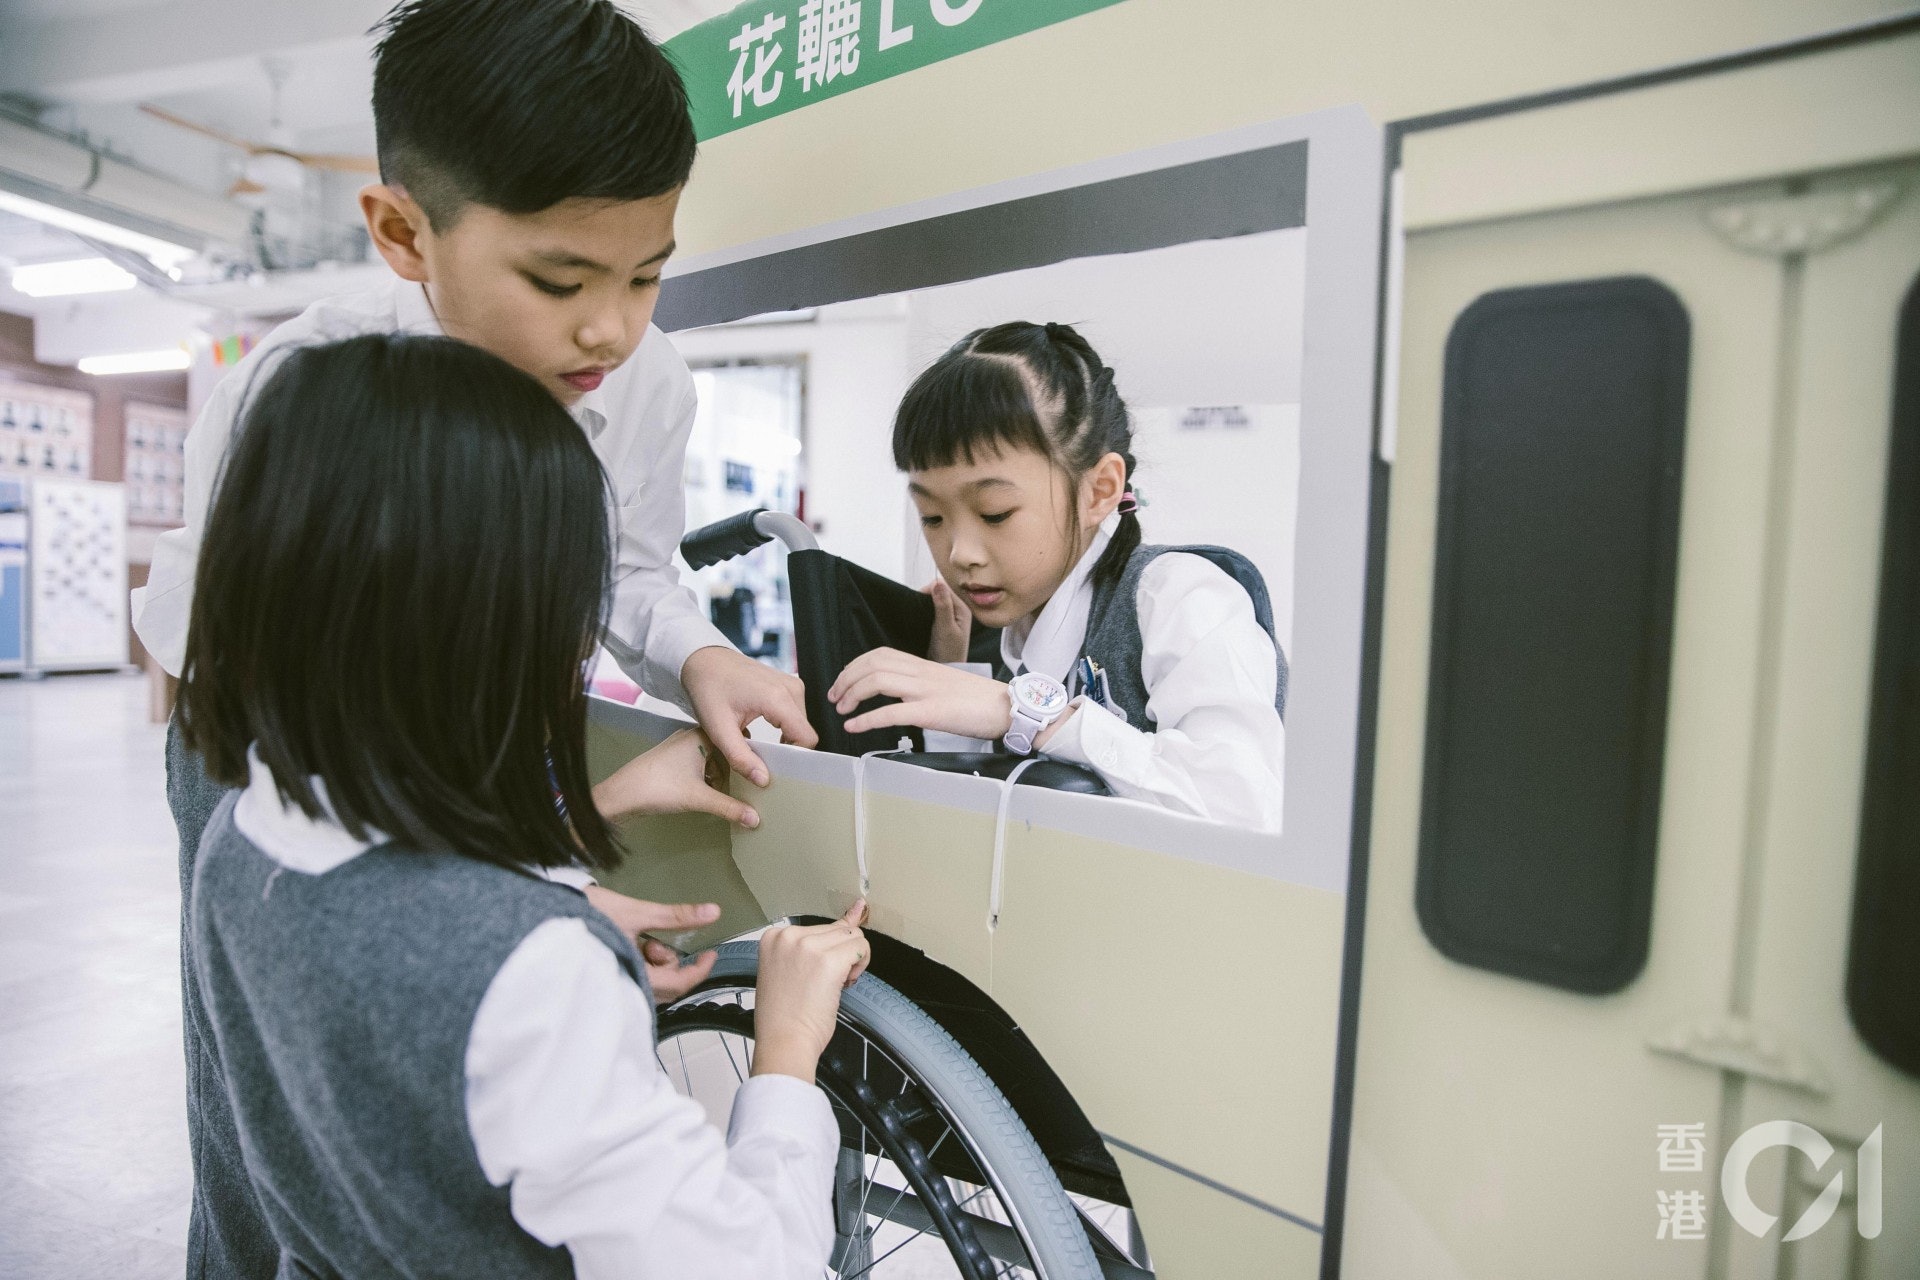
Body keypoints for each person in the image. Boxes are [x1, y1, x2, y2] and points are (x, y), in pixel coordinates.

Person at [131, 2, 815, 1273]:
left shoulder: (642, 381)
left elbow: (632, 574)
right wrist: (511, 911)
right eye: (560, 279)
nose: (608, 327)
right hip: (270, 748)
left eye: (647, 272)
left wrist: (700, 656)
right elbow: (263, 708)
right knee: (267, 1101)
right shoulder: (306, 394)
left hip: (464, 732)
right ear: (404, 232)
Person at [179, 333, 869, 1279]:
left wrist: (572, 870)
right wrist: (786, 1055)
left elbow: (390, 939)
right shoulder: (535, 978)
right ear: (502, 633)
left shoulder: (238, 839)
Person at [827, 321, 1288, 832]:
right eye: (932, 518)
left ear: (1099, 491)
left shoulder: (1180, 597)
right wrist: (953, 671)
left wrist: (1024, 713)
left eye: (995, 512)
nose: (959, 553)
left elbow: (1243, 808)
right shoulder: (999, 638)